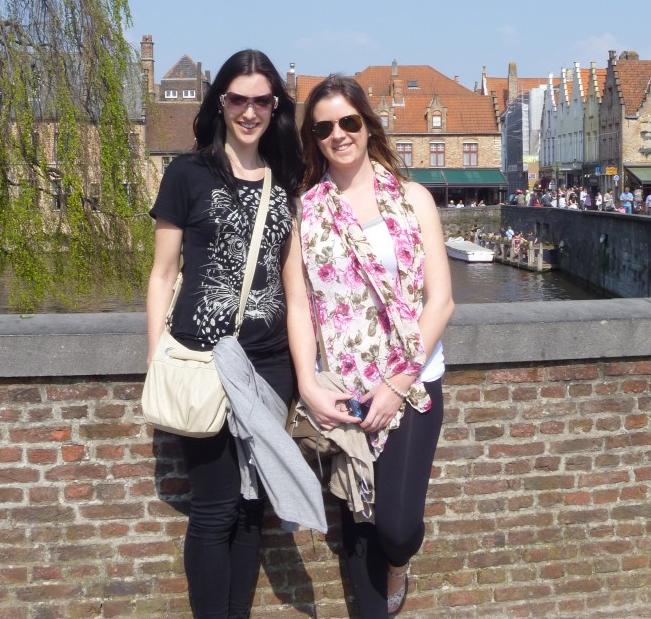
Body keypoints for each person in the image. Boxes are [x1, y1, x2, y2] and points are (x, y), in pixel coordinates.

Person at [145, 49, 305, 619]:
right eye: (238, 98)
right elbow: (163, 274)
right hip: (204, 359)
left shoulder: (286, 178)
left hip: (269, 363)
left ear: (274, 108)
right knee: (214, 508)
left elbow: (295, 288)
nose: (249, 110)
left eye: (262, 100)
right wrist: (157, 357)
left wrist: (305, 374)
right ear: (220, 102)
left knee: (251, 507)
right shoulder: (188, 173)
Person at [288, 75, 454, 619]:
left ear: (367, 124)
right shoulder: (304, 213)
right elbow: (299, 307)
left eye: (348, 122)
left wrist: (398, 381)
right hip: (343, 391)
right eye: (324, 127)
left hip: (410, 384)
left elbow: (441, 302)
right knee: (357, 530)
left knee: (396, 528)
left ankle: (401, 564)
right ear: (312, 138)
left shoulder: (414, 199)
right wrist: (309, 386)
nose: (338, 134)